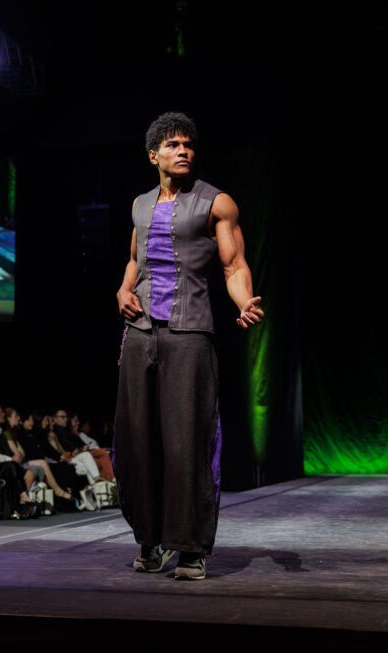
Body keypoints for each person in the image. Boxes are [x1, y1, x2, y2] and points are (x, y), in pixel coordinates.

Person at [114, 112, 263, 580]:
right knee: (136, 443)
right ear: (153, 154)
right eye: (173, 144)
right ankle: (151, 541)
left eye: (189, 144)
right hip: (139, 337)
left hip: (189, 335)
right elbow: (135, 259)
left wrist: (243, 303)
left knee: (187, 444)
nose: (184, 151)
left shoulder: (215, 202)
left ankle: (191, 547)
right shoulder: (139, 204)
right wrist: (122, 290)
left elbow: (233, 264)